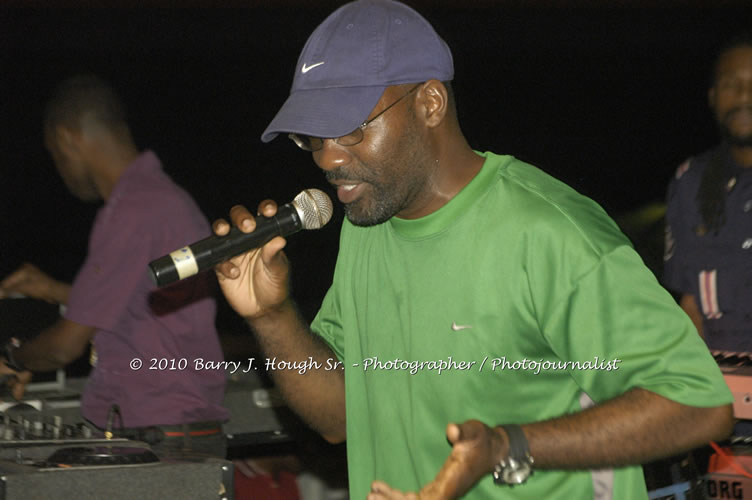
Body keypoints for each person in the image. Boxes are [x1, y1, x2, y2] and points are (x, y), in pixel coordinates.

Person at [213, 1, 734, 498]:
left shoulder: (547, 231)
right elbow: (342, 417)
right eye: (313, 136)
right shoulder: (368, 228)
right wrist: (272, 316)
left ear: (429, 103)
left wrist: (507, 448)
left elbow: (697, 403)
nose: (327, 158)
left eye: (350, 128)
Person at [0, 74, 229, 459]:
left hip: (153, 441)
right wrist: (55, 290)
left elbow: (64, 348)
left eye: (55, 154)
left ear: (67, 138)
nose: (59, 168)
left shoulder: (132, 209)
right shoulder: (163, 198)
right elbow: (135, 305)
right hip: (174, 434)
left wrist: (12, 359)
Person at [663, 32, 752, 352]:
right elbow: (689, 305)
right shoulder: (690, 183)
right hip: (721, 373)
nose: (744, 95)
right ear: (713, 97)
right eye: (732, 84)